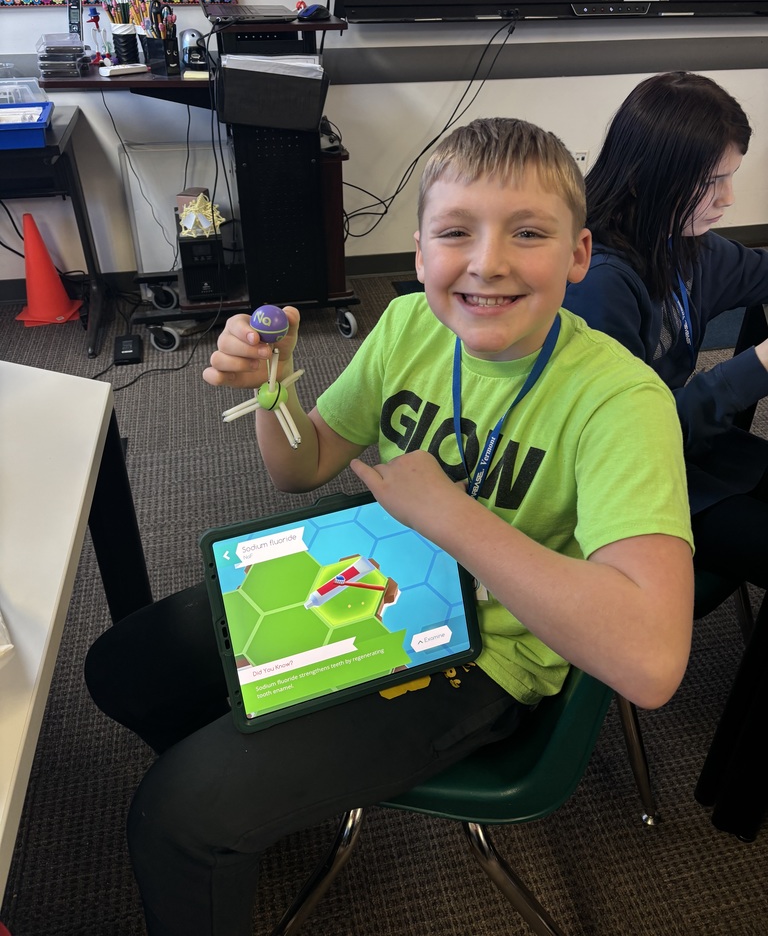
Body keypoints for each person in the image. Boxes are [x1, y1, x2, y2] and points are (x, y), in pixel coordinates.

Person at [85, 118, 694, 936]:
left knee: (177, 817)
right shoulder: (411, 324)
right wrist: (275, 387)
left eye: (528, 233)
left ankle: (218, 819)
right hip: (374, 571)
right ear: (417, 254)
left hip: (484, 651)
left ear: (578, 255)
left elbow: (652, 665)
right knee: (123, 666)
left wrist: (447, 514)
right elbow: (300, 468)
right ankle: (250, 812)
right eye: (456, 232)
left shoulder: (621, 402)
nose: (488, 262)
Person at [563, 71, 768, 589]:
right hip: (627, 482)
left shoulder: (682, 241)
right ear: (643, 178)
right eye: (711, 182)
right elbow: (627, 445)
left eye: (731, 176)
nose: (729, 199)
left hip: (687, 443)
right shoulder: (598, 282)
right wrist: (758, 366)